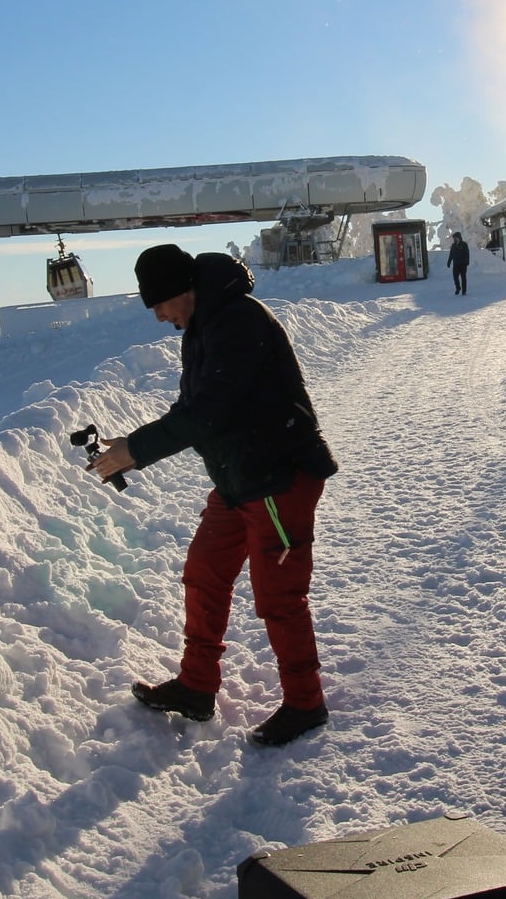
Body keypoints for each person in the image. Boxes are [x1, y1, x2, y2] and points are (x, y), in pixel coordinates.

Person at [91, 244, 340, 748]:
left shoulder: (238, 322)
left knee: (278, 596)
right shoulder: (205, 324)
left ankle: (305, 703)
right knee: (204, 573)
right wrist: (131, 444)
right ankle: (197, 686)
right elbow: (192, 405)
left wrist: (137, 451)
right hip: (238, 479)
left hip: (277, 477)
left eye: (160, 305)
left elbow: (210, 410)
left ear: (183, 291)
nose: (160, 317)